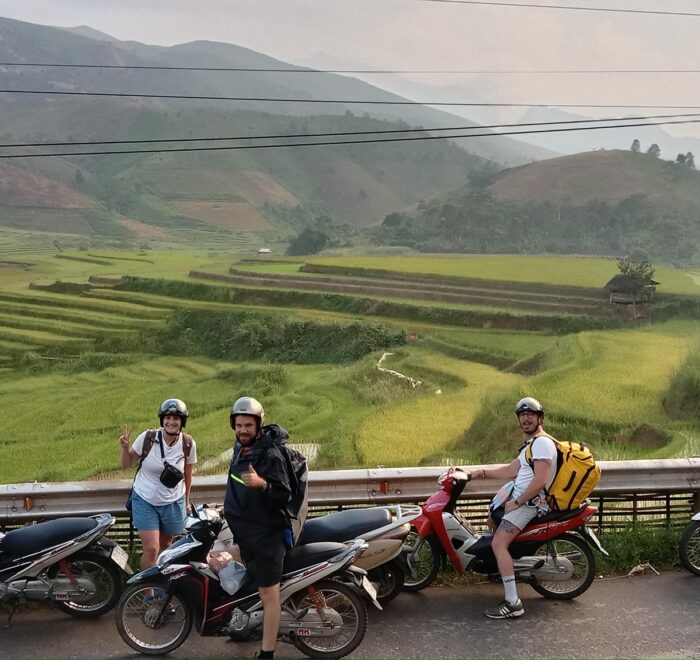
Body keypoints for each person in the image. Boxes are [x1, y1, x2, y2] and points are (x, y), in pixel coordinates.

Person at [471, 396, 556, 619]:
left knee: (499, 543)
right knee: (491, 519)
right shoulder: (531, 445)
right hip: (521, 501)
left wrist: (516, 503)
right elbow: (510, 471)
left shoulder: (543, 444)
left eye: (531, 415)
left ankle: (513, 602)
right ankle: (500, 568)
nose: (526, 419)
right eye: (522, 415)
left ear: (540, 418)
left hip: (529, 504)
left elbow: (539, 481)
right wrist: (480, 473)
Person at [224, 396, 292, 660]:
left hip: (267, 536)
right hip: (249, 534)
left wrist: (262, 484)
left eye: (248, 425)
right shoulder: (242, 449)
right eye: (239, 425)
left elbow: (283, 495)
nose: (242, 430)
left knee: (268, 593)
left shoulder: (270, 454)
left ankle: (267, 653)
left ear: (258, 426)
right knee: (255, 588)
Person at [119, 398, 197, 570]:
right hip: (145, 498)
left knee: (166, 547)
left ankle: (162, 586)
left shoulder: (188, 444)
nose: (171, 422)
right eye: (168, 418)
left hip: (172, 500)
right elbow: (126, 463)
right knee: (151, 549)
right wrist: (125, 448)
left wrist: (186, 502)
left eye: (176, 418)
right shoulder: (148, 438)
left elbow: (188, 475)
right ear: (162, 420)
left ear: (182, 422)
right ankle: (148, 593)